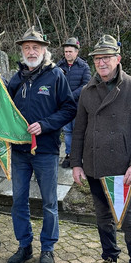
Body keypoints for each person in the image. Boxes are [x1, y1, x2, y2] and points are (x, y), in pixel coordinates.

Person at [70, 34, 131, 263]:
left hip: (122, 171)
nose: (101, 62)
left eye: (106, 57)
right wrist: (76, 163)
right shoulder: (87, 91)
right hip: (95, 167)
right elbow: (79, 131)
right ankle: (110, 260)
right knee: (103, 218)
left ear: (118, 59)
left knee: (129, 222)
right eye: (97, 58)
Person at [5, 26, 77, 263]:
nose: (31, 51)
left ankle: (48, 248)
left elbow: (69, 109)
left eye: (36, 47)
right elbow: (5, 108)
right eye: (27, 48)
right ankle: (24, 246)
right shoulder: (17, 78)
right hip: (20, 151)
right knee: (19, 201)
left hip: (45, 151)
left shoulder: (56, 76)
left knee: (48, 202)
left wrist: (45, 125)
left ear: (45, 50)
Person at [56, 37, 91, 168]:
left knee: (78, 132)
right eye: (66, 52)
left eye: (70, 51)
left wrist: (70, 96)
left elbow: (86, 85)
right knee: (67, 132)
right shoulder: (58, 67)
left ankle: (79, 157)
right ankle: (69, 155)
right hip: (64, 106)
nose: (68, 54)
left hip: (79, 105)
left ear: (76, 52)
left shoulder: (84, 67)